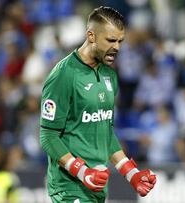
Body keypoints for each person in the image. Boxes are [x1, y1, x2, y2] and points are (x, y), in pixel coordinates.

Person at [39, 6, 157, 203]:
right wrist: (82, 172)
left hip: (97, 188)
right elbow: (48, 136)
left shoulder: (109, 75)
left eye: (120, 41)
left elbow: (105, 132)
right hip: (69, 188)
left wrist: (131, 173)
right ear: (91, 36)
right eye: (110, 40)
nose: (117, 47)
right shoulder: (64, 75)